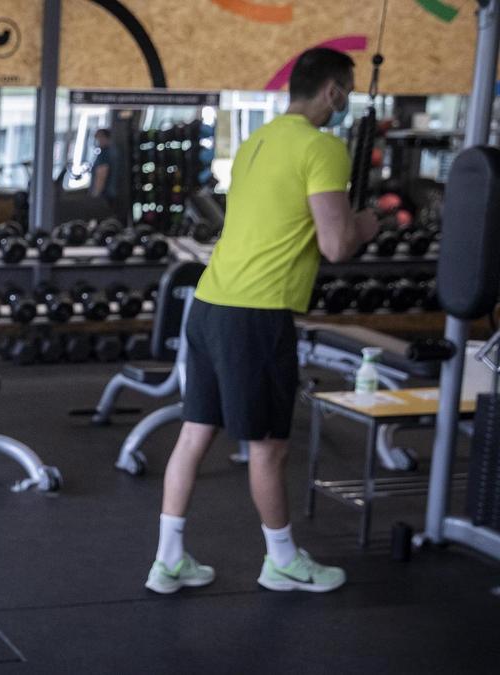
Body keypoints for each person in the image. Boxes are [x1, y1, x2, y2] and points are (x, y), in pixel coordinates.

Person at [145, 47, 379, 595]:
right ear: (334, 92)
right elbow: (338, 243)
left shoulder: (259, 140)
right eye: (346, 92)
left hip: (209, 302)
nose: (345, 103)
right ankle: (281, 561)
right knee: (270, 447)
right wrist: (368, 222)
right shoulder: (323, 147)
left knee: (195, 433)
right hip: (256, 313)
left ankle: (169, 560)